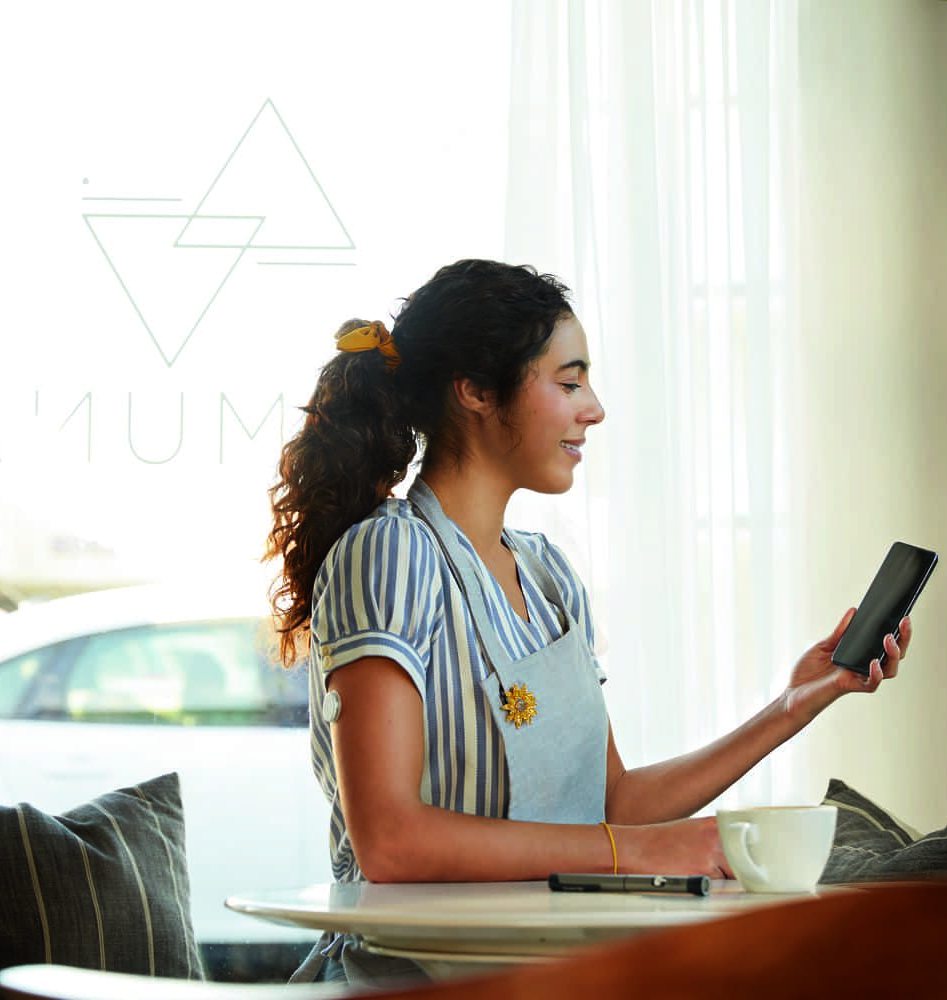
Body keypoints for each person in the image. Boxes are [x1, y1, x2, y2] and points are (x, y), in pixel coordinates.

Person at [263, 259, 910, 982]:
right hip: (413, 979)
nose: (594, 408)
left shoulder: (549, 578)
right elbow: (390, 842)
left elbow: (611, 804)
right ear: (475, 389)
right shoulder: (389, 554)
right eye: (568, 382)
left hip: (545, 973)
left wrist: (794, 705)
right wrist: (641, 853)